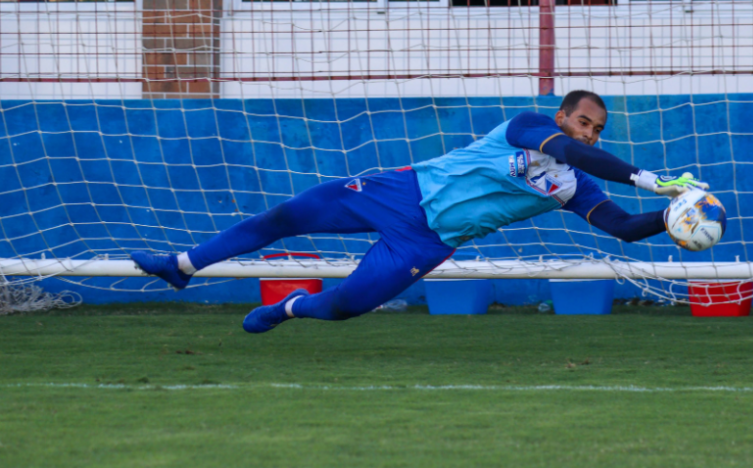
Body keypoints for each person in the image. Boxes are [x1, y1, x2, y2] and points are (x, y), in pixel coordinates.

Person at [131, 91, 708, 333]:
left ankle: (292, 307)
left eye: (600, 129)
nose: (589, 132)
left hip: (426, 242)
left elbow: (623, 228)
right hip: (401, 191)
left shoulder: (573, 188)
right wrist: (642, 176)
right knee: (287, 216)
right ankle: (182, 263)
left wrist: (671, 218)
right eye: (585, 122)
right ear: (562, 117)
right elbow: (574, 152)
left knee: (346, 308)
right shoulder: (528, 128)